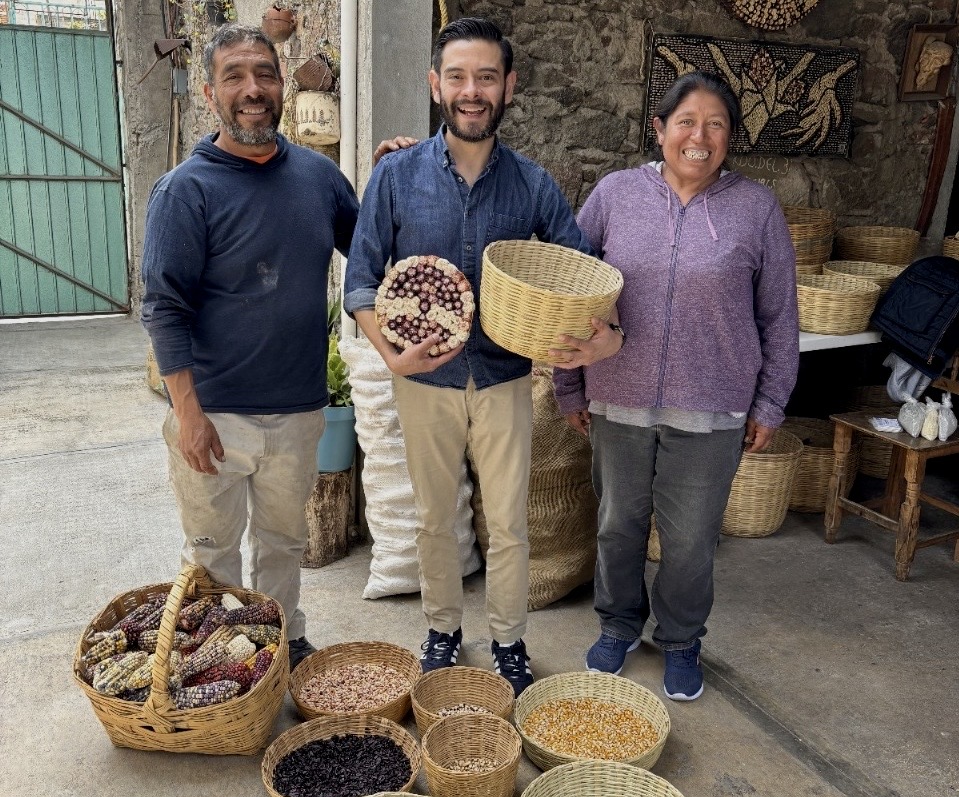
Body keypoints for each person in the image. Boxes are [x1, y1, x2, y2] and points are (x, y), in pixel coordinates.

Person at [344, 17, 592, 696]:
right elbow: (360, 278)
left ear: (509, 86)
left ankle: (508, 638)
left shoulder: (532, 184)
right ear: (436, 85)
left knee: (509, 522)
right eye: (457, 76)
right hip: (423, 378)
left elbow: (577, 264)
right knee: (433, 518)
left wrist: (587, 333)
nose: (471, 91)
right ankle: (442, 629)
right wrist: (390, 354)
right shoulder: (395, 175)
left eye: (486, 76)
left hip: (506, 376)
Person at [552, 71, 799, 701]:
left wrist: (771, 400)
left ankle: (682, 639)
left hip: (712, 407)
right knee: (618, 525)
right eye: (686, 121)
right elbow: (571, 290)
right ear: (660, 129)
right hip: (618, 397)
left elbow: (779, 314)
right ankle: (618, 625)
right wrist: (570, 385)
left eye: (716, 124)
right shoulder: (615, 194)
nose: (699, 136)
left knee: (690, 540)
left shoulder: (757, 209)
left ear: (730, 137)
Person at [140, 24, 365, 672]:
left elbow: (371, 248)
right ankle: (225, 661)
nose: (252, 89)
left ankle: (281, 640)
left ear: (282, 83)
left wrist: (397, 175)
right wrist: (188, 412)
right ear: (210, 92)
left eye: (264, 73)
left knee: (283, 541)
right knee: (212, 551)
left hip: (297, 409)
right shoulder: (186, 190)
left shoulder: (319, 179)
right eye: (234, 76)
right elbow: (164, 307)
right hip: (215, 413)